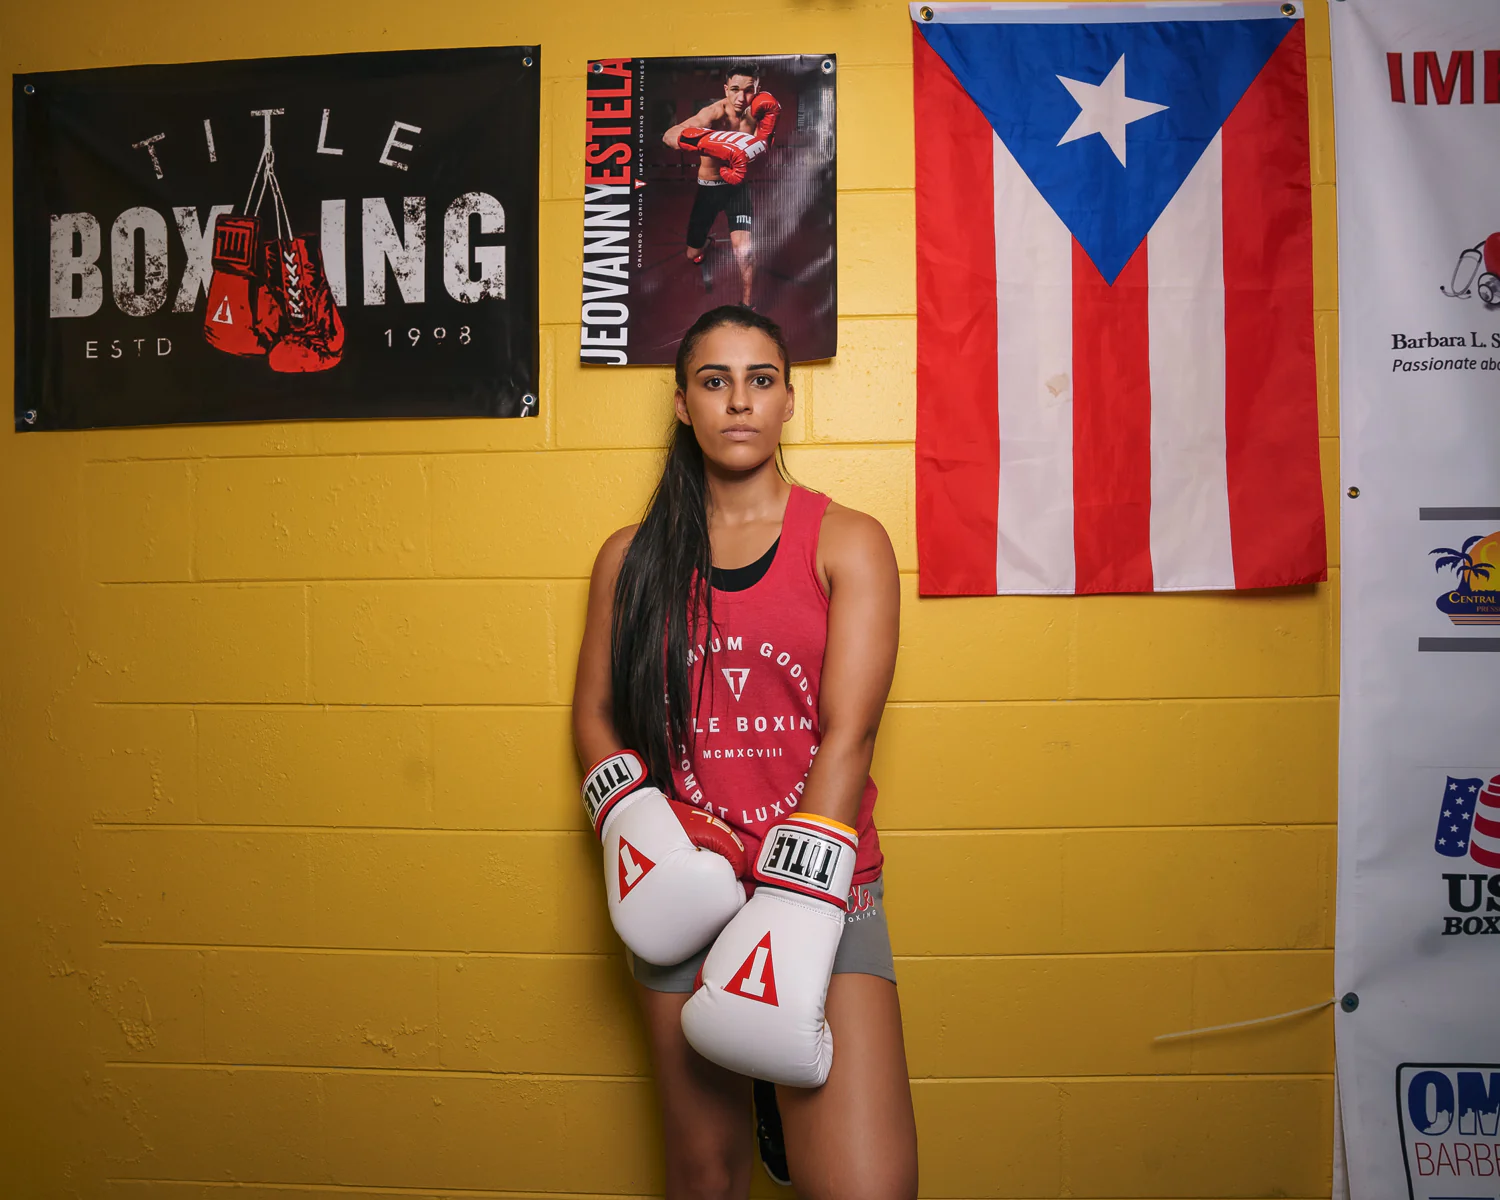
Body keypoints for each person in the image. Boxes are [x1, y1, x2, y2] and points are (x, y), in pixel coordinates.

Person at [572, 305, 918, 1200]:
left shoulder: (847, 540)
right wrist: (645, 838)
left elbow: (851, 730)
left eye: (760, 380)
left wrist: (794, 899)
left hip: (824, 893)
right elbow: (595, 718)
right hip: (681, 890)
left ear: (789, 401)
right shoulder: (631, 559)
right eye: (714, 381)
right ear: (683, 403)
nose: (739, 401)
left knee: (865, 1188)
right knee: (706, 1179)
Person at [663, 63, 781, 308]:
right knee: (692, 254)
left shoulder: (761, 112)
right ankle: (704, 244)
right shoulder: (713, 114)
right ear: (726, 88)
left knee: (745, 251)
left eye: (749, 90)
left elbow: (763, 146)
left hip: (738, 189)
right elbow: (670, 135)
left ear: (757, 88)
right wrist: (709, 142)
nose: (742, 97)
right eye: (735, 89)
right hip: (710, 187)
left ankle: (748, 306)